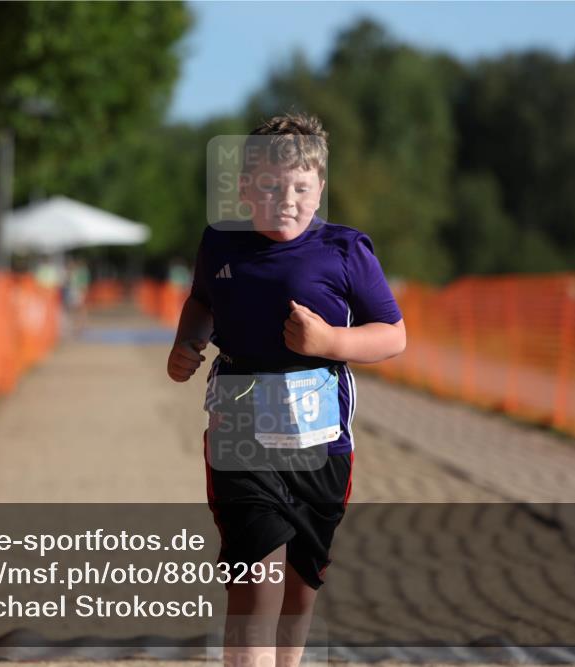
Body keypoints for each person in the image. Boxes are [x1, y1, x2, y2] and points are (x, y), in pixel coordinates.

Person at [166, 112, 406, 667]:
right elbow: (201, 300)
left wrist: (327, 341)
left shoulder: (345, 250)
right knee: (256, 572)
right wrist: (188, 342)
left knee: (300, 586)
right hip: (239, 434)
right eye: (271, 186)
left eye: (301, 186)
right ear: (246, 188)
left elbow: (393, 335)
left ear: (320, 188)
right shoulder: (221, 243)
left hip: (321, 443)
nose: (287, 199)